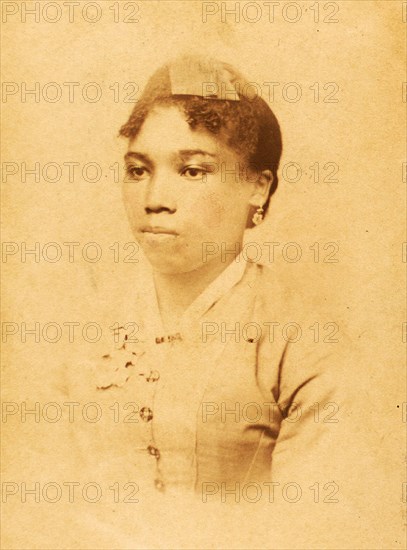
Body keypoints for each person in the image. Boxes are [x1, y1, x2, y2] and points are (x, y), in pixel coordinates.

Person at [61, 55, 348, 502]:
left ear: (259, 186)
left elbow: (312, 522)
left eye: (192, 171)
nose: (155, 199)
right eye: (139, 170)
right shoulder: (78, 323)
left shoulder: (303, 341)